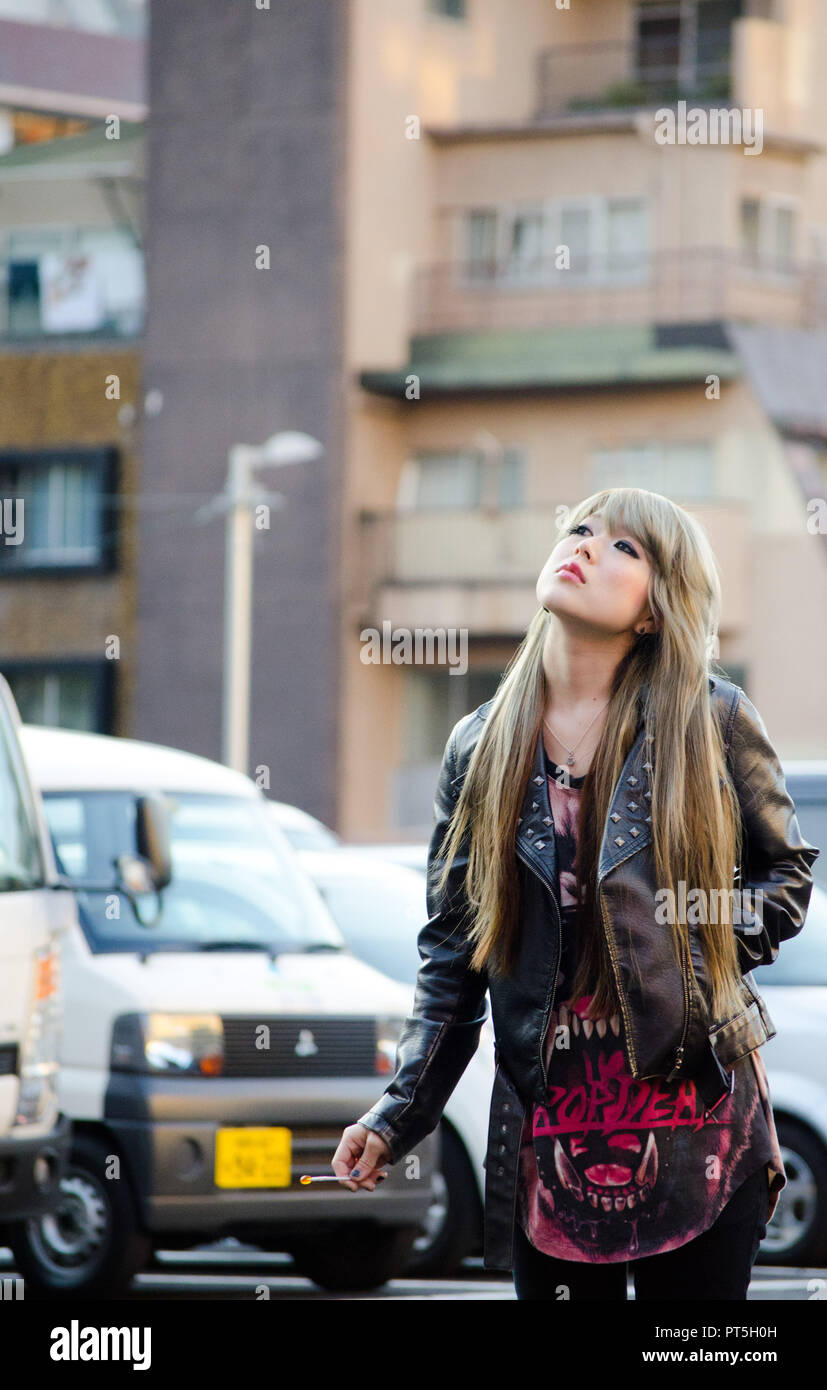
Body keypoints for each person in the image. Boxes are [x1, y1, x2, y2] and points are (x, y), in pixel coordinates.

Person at [332, 486, 819, 1299]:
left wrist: (688, 941)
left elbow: (786, 877)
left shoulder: (713, 719)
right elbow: (453, 955)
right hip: (551, 1137)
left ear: (655, 611)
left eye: (625, 548)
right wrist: (396, 1115)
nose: (587, 546)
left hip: (697, 1120)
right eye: (580, 529)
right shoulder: (479, 746)